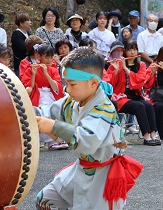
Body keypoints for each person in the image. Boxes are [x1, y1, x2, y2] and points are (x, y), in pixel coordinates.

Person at [35, 47, 143, 209]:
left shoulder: (103, 110)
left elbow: (85, 141)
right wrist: (25, 113)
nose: (68, 90)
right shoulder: (73, 101)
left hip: (103, 177)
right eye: (66, 84)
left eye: (72, 84)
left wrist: (53, 127)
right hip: (82, 169)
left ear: (93, 83)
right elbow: (49, 111)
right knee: (44, 200)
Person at [103, 40, 159, 146]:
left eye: (134, 49)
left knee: (149, 106)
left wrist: (126, 69)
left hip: (136, 95)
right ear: (125, 52)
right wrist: (115, 71)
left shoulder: (141, 65)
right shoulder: (117, 63)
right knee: (139, 107)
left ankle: (153, 134)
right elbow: (108, 84)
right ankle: (146, 136)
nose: (132, 52)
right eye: (129, 49)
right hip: (120, 97)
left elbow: (140, 81)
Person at [11, 13, 32, 77]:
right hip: (20, 65)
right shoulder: (16, 35)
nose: (30, 22)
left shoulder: (28, 34)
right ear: (21, 23)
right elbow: (24, 48)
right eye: (28, 20)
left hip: (29, 64)